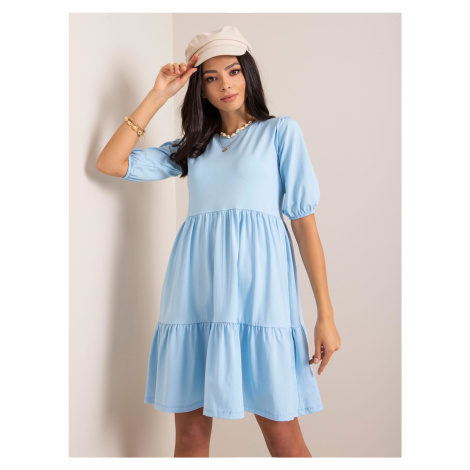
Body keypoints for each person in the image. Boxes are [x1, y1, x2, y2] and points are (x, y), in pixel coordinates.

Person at [96, 25, 341, 458]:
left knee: (285, 441)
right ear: (201, 89)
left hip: (261, 297)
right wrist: (158, 94)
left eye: (233, 71)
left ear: (248, 74)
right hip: (196, 294)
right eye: (211, 77)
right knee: (190, 440)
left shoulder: (280, 133)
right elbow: (111, 162)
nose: (225, 84)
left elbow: (305, 224)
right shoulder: (193, 147)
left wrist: (326, 314)